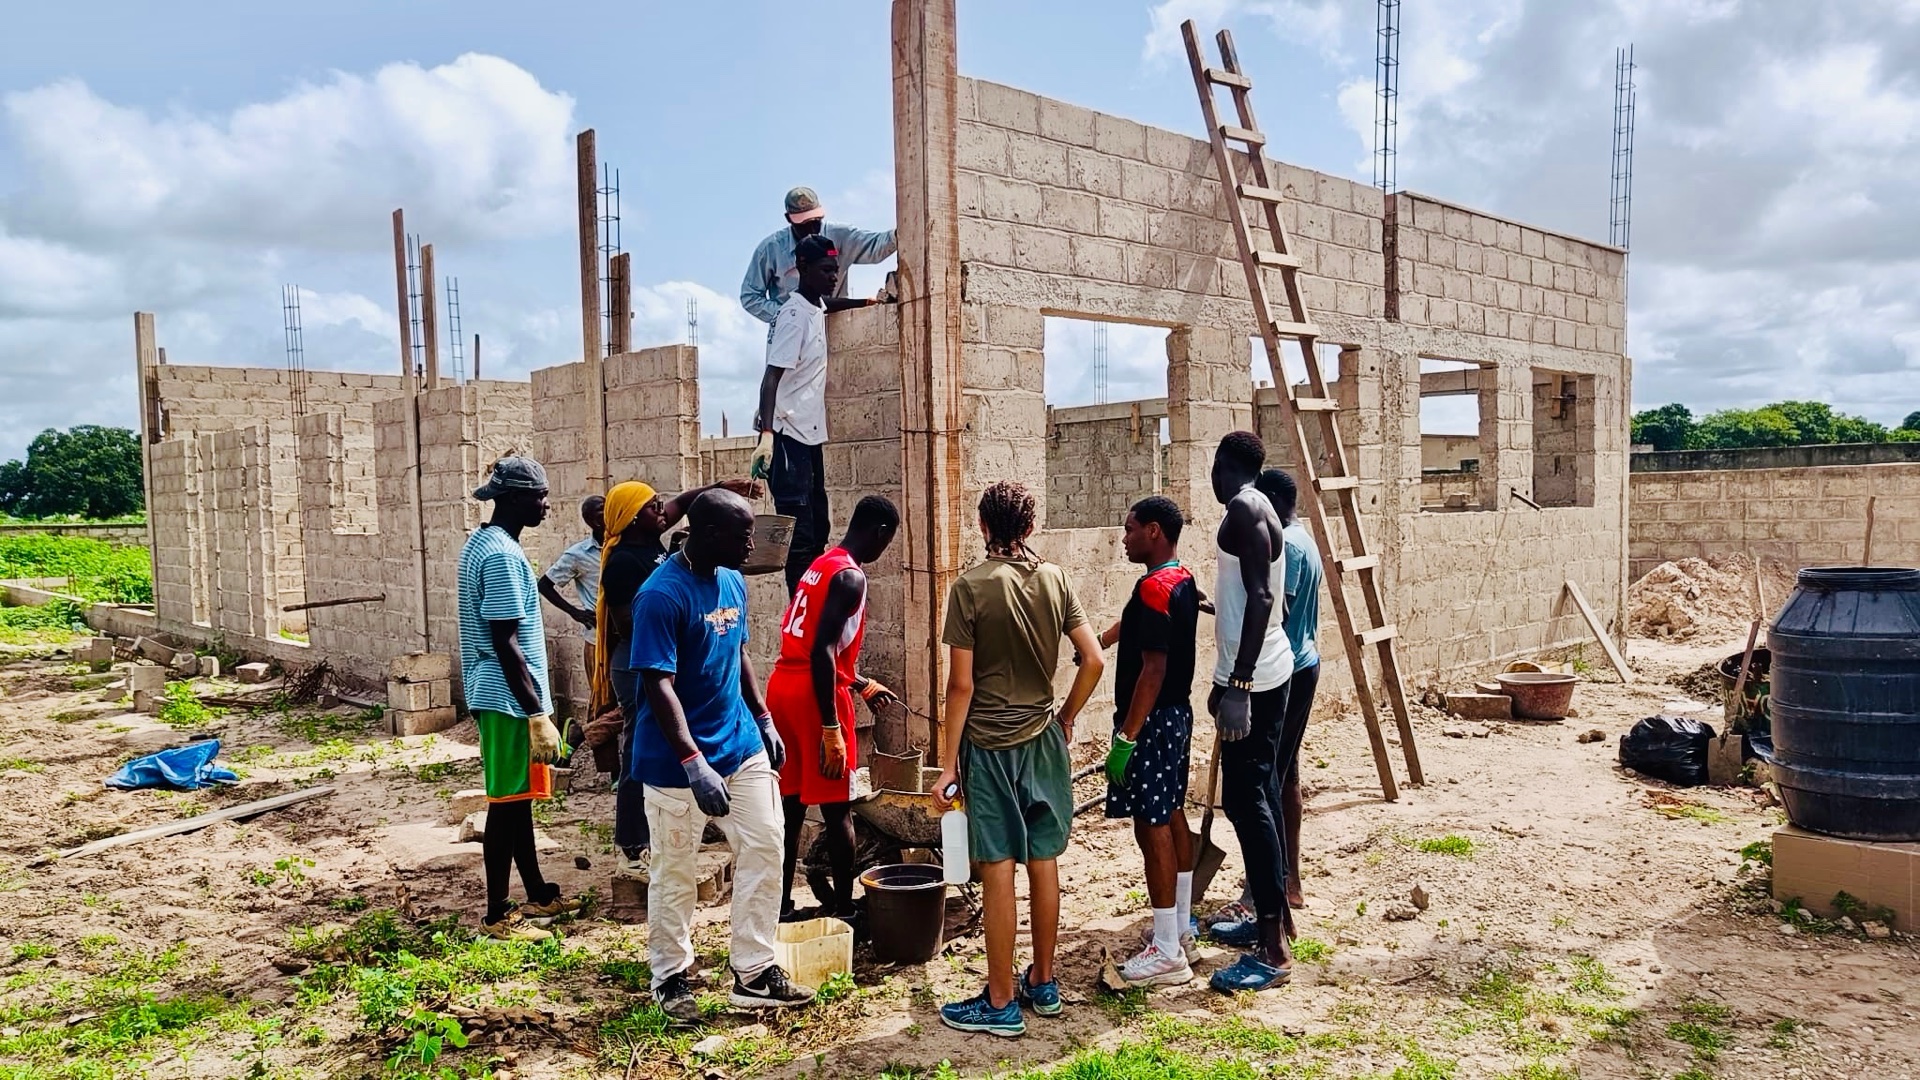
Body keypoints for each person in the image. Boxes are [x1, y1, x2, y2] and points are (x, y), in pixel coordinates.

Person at [629, 489, 813, 1023]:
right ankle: (670, 976)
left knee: (766, 844)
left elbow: (739, 653)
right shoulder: (660, 595)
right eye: (743, 535)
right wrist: (694, 763)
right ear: (708, 534)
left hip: (739, 744)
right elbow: (658, 685)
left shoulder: (732, 579)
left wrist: (763, 718)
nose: (752, 544)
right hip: (675, 761)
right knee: (675, 869)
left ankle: (753, 971)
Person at [933, 481, 1104, 1038]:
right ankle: (1044, 982)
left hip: (988, 747)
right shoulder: (1055, 579)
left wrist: (948, 764)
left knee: (999, 866)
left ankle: (1001, 1001)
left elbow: (961, 685)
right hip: (1043, 742)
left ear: (984, 526)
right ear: (1030, 527)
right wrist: (1066, 717)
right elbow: (1093, 659)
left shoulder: (970, 587)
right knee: (1044, 858)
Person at [591, 478, 758, 874]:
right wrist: (681, 624)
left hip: (671, 653)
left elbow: (686, 505)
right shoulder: (625, 563)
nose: (662, 511)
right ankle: (634, 839)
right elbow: (628, 625)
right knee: (641, 745)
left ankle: (693, 812)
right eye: (652, 507)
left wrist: (721, 486)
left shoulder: (654, 547)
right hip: (639, 661)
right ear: (632, 518)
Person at [458, 456, 579, 941]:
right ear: (512, 499)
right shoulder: (503, 557)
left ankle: (538, 893)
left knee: (519, 800)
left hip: (502, 694)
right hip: (508, 698)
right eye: (539, 496)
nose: (546, 505)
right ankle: (497, 916)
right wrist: (536, 714)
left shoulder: (485, 542)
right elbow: (505, 641)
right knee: (505, 807)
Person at [767, 495, 902, 922]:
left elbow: (810, 640)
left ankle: (779, 906)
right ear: (880, 532)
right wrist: (831, 728)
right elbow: (823, 650)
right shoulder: (850, 578)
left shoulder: (822, 565)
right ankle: (844, 909)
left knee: (790, 808)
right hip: (814, 698)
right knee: (837, 807)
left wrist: (861, 683)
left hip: (783, 688)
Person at [1211, 469, 1323, 945]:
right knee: (1276, 782)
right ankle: (1280, 899)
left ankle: (1268, 914)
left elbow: (1268, 603)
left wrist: (1238, 683)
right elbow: (1264, 603)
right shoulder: (1301, 539)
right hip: (1292, 664)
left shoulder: (1280, 539)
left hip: (1275, 673)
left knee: (1256, 794)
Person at [1099, 496, 1202, 987]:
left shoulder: (1154, 589)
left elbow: (1153, 669)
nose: (1124, 538)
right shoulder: (1178, 579)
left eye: (1130, 529)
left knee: (1152, 823)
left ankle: (1166, 952)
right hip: (1177, 716)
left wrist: (1127, 736)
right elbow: (1138, 623)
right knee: (1173, 812)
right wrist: (1101, 640)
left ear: (1154, 531)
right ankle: (1179, 929)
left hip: (1153, 721)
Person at [1206, 432, 1296, 993]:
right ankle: (1273, 917)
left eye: (1213, 468)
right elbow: (1254, 597)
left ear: (1222, 465)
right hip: (1255, 671)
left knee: (1248, 802)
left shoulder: (1244, 507)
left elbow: (1263, 598)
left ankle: (1273, 950)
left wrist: (1238, 684)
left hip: (1257, 680)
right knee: (1255, 796)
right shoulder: (1259, 507)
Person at [752, 234, 860, 596]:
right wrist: (767, 435)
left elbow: (828, 304)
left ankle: (813, 603)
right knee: (800, 539)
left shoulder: (814, 306)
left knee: (818, 530)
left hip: (808, 435)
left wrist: (867, 301)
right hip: (787, 437)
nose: (833, 276)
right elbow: (771, 378)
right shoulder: (794, 317)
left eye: (836, 270)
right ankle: (801, 611)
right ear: (802, 268)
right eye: (826, 270)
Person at [739, 186, 896, 336]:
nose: (812, 229)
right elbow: (750, 297)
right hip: (793, 332)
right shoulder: (770, 249)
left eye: (816, 221)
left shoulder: (840, 235)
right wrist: (787, 314)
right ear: (789, 219)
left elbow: (875, 246)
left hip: (838, 328)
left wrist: (898, 234)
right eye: (804, 224)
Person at [539, 494, 605, 745]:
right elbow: (545, 585)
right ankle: (587, 746)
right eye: (601, 510)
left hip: (629, 636)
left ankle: (581, 735)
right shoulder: (579, 554)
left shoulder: (627, 545)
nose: (608, 513)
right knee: (601, 701)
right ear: (592, 521)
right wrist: (575, 612)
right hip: (597, 640)